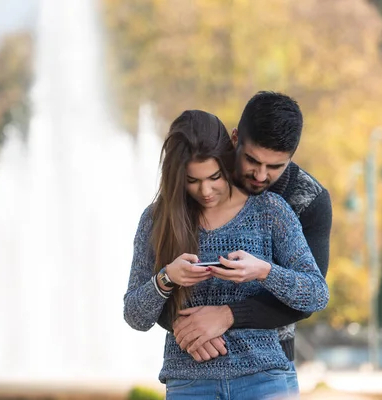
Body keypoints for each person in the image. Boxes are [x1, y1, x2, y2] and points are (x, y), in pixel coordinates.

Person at [123, 109, 329, 399]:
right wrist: (166, 278)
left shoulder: (269, 210)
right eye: (192, 181)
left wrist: (264, 271)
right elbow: (134, 316)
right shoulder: (156, 220)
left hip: (263, 379)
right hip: (190, 384)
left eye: (214, 177)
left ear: (227, 162)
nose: (205, 190)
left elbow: (317, 293)